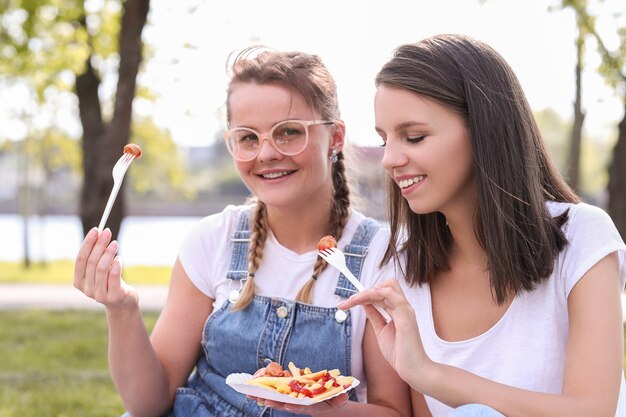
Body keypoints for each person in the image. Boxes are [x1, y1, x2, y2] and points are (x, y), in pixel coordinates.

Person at [73, 47, 411, 417]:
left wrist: (314, 406)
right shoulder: (211, 240)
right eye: (248, 137)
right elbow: (148, 403)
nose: (266, 153)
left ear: (335, 137)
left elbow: (393, 411)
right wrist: (122, 308)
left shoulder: (382, 256)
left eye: (288, 132)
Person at [338, 33, 626, 417]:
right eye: (384, 138)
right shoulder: (401, 267)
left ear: (485, 131)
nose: (389, 159)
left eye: (414, 136)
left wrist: (428, 373)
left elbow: (592, 411)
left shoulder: (581, 237)